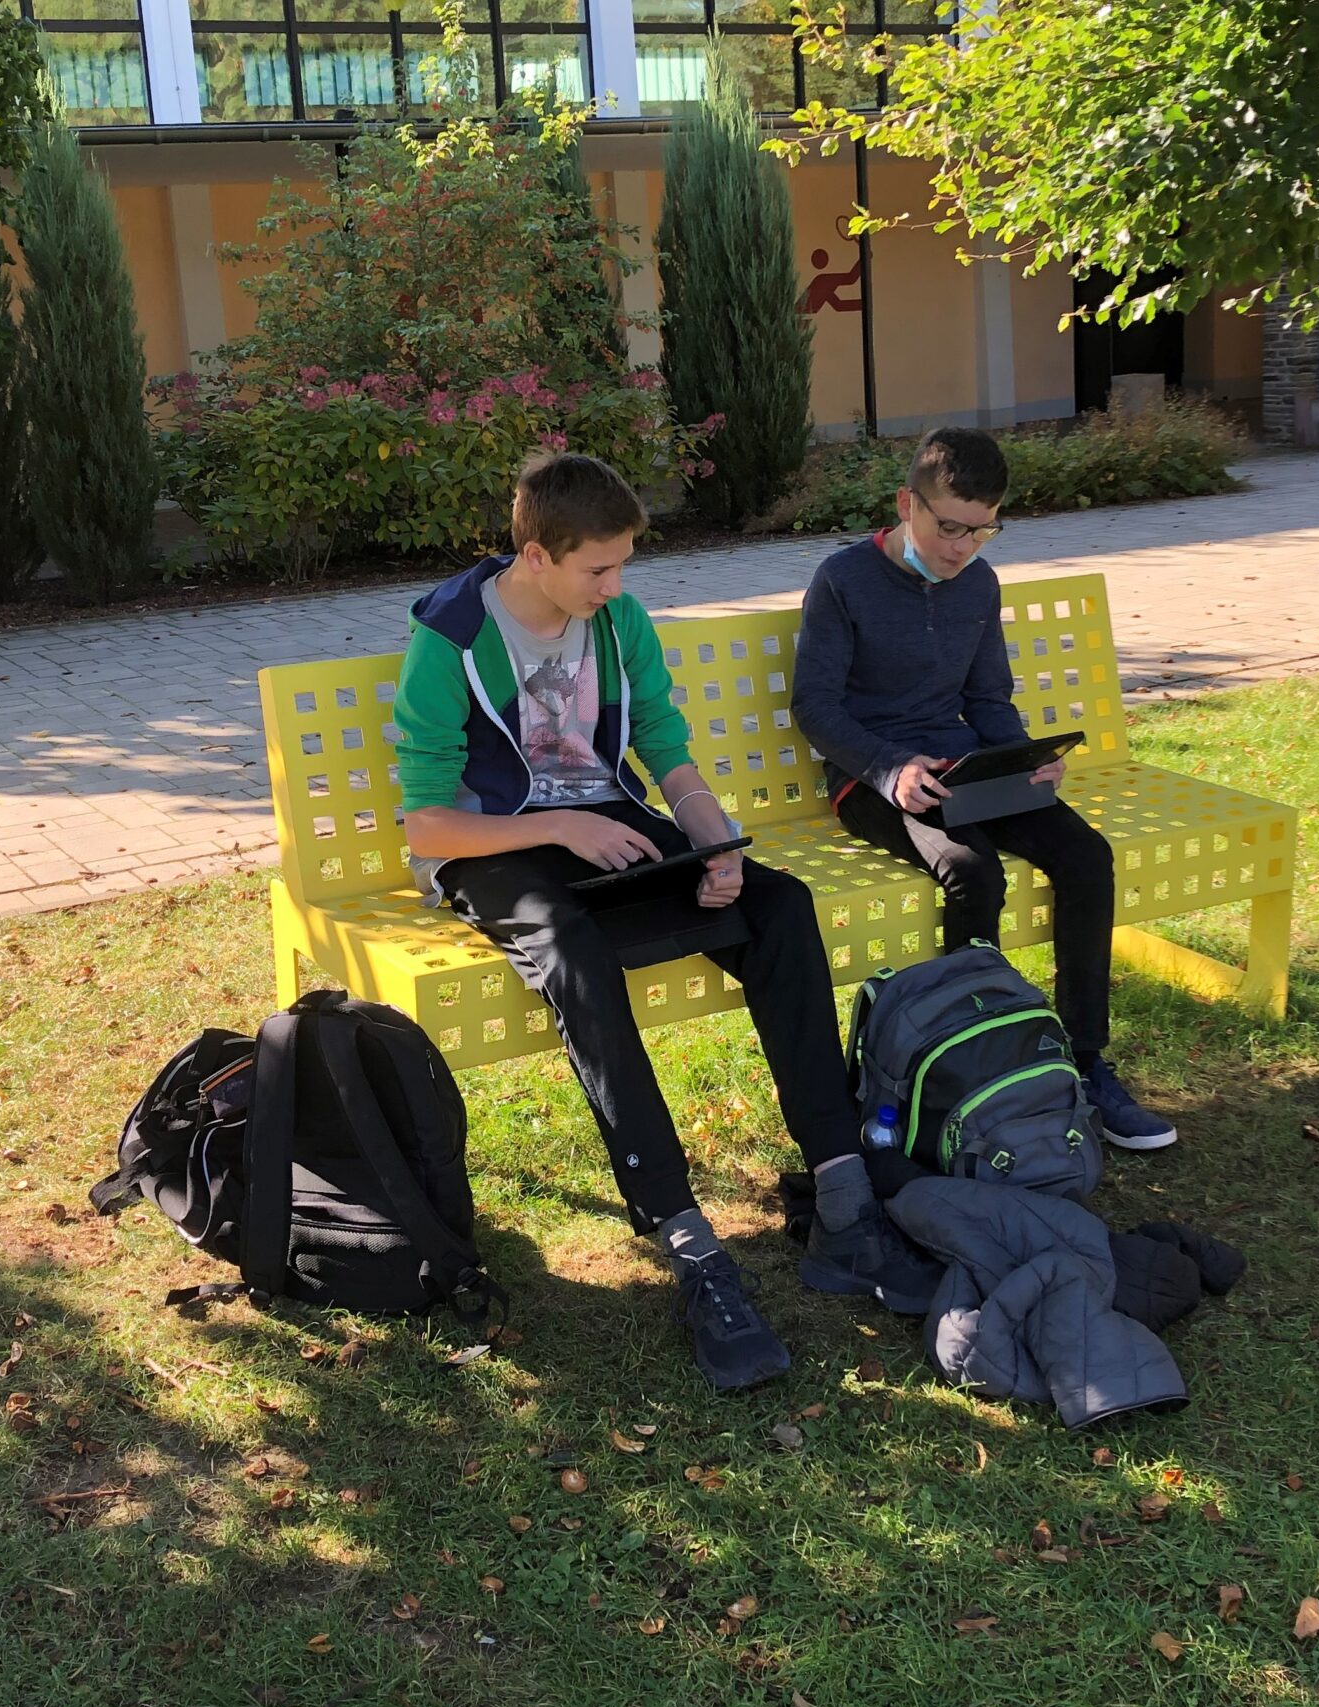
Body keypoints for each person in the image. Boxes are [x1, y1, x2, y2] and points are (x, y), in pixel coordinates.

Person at [396, 452, 941, 1391]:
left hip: (605, 831)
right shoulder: (449, 641)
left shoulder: (618, 623)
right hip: (489, 850)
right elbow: (425, 822)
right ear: (534, 555)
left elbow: (667, 753)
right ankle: (689, 1243)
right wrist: (563, 823)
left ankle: (847, 1200)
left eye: (622, 568)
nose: (615, 588)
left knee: (776, 904)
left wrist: (713, 840)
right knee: (573, 949)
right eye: (597, 570)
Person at [792, 428, 1178, 1152]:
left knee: (1085, 856)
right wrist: (889, 768)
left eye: (981, 531)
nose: (962, 547)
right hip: (875, 778)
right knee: (972, 871)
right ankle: (978, 1065)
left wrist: (1023, 757)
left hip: (968, 765)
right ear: (908, 503)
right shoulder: (843, 580)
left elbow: (988, 696)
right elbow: (815, 707)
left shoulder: (978, 583)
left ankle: (1088, 1062)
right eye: (948, 527)